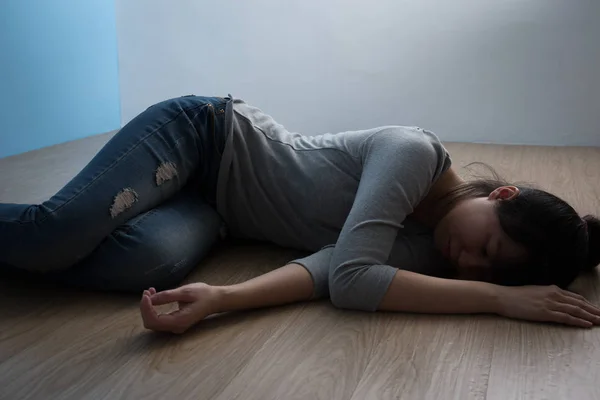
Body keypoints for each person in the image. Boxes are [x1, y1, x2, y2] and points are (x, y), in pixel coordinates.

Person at [1, 95, 599, 334]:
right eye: (486, 249)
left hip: (217, 211)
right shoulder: (412, 153)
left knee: (147, 263)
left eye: (485, 274)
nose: (466, 262)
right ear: (502, 194)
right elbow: (354, 281)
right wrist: (497, 299)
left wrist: (221, 299)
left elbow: (327, 270)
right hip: (202, 138)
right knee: (59, 234)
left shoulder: (431, 248)